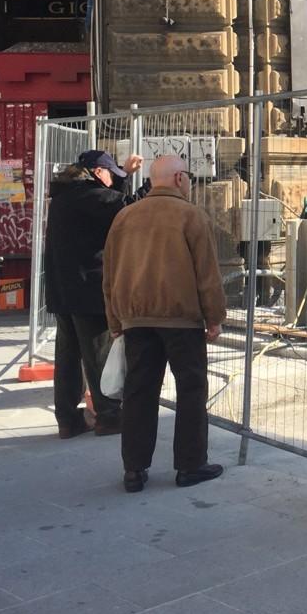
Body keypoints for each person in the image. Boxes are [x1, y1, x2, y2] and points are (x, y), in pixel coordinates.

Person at [103, 155, 226, 493]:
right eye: (186, 175)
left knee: (139, 392)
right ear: (177, 179)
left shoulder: (124, 217)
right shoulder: (190, 216)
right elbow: (207, 274)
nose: (188, 181)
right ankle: (190, 465)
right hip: (181, 319)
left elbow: (110, 275)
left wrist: (115, 321)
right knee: (191, 390)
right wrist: (214, 318)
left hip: (136, 320)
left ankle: (134, 469)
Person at [44, 150, 143, 439]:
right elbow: (127, 208)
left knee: (68, 355)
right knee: (96, 353)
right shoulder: (86, 194)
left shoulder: (68, 194)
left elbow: (112, 206)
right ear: (99, 172)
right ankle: (109, 416)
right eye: (111, 174)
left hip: (64, 289)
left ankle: (67, 419)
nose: (113, 180)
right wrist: (155, 186)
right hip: (86, 288)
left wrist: (125, 174)